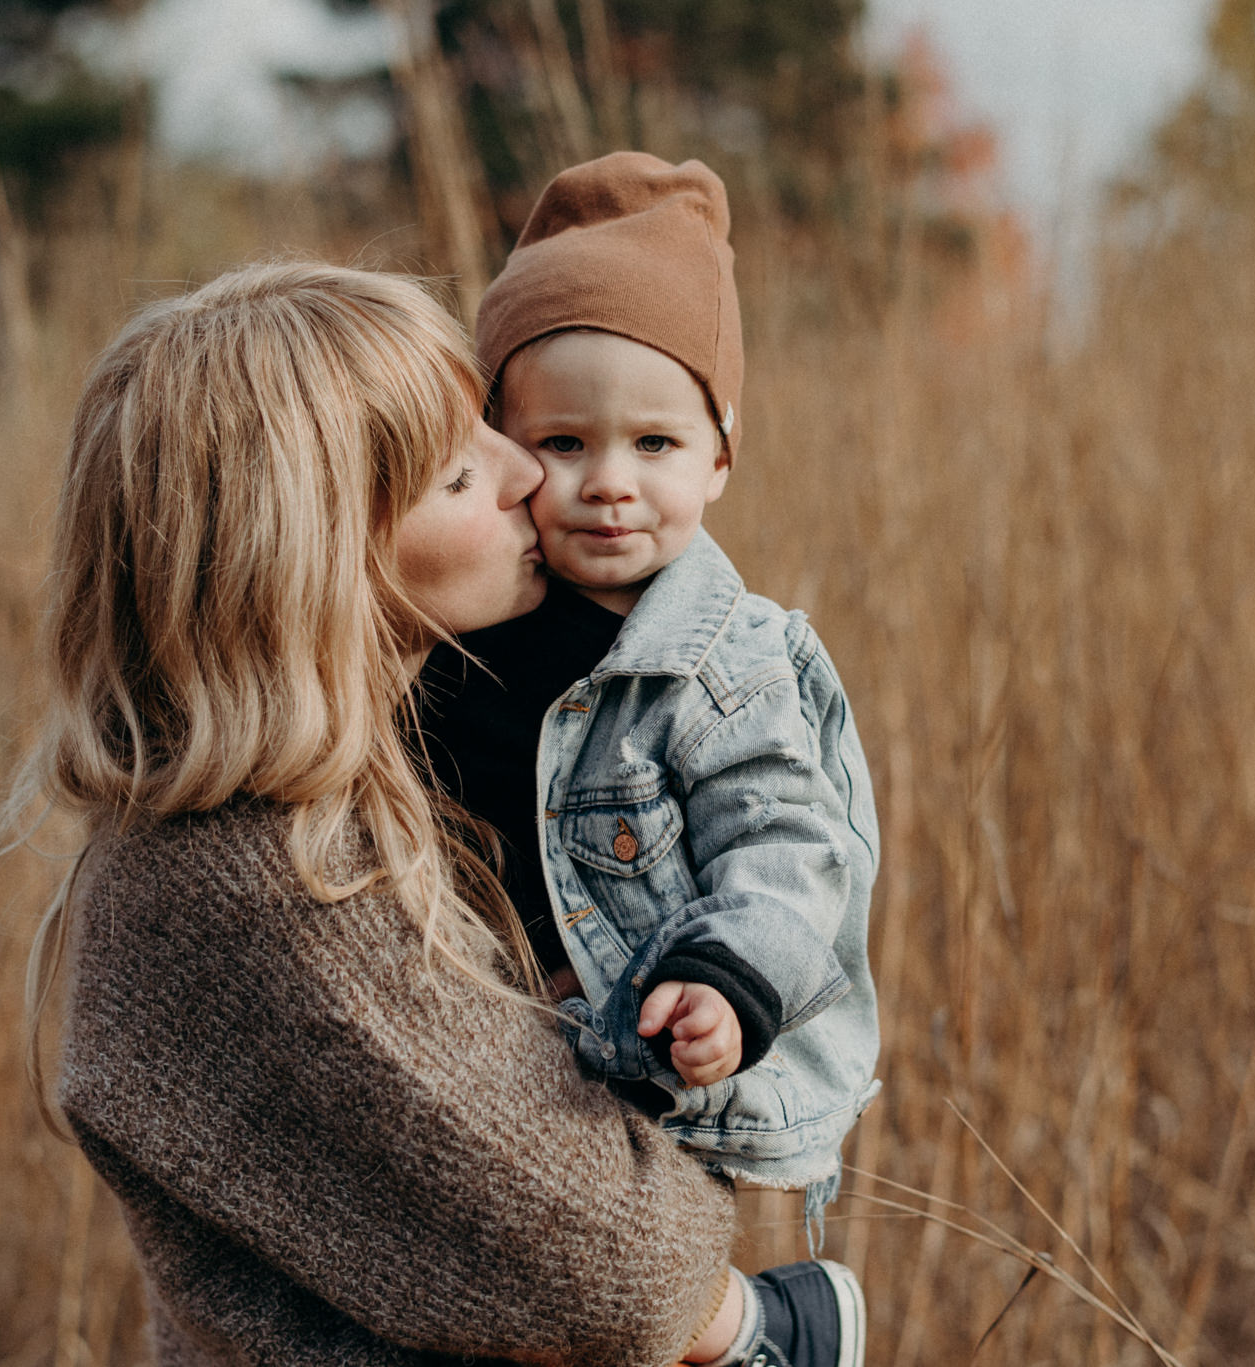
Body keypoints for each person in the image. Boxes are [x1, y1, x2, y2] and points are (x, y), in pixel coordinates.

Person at [11, 260, 857, 1366]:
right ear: (317, 562)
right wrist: (746, 1316)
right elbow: (633, 1268)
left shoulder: (369, 784)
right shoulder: (255, 873)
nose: (525, 472)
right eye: (460, 472)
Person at [417, 153, 879, 1349]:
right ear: (502, 449)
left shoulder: (727, 663)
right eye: (562, 441)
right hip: (501, 1039)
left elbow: (788, 844)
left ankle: (769, 1331)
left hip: (655, 1050)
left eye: (655, 446)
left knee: (596, 1294)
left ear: (720, 455)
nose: (608, 485)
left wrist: (726, 981)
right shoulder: (456, 621)